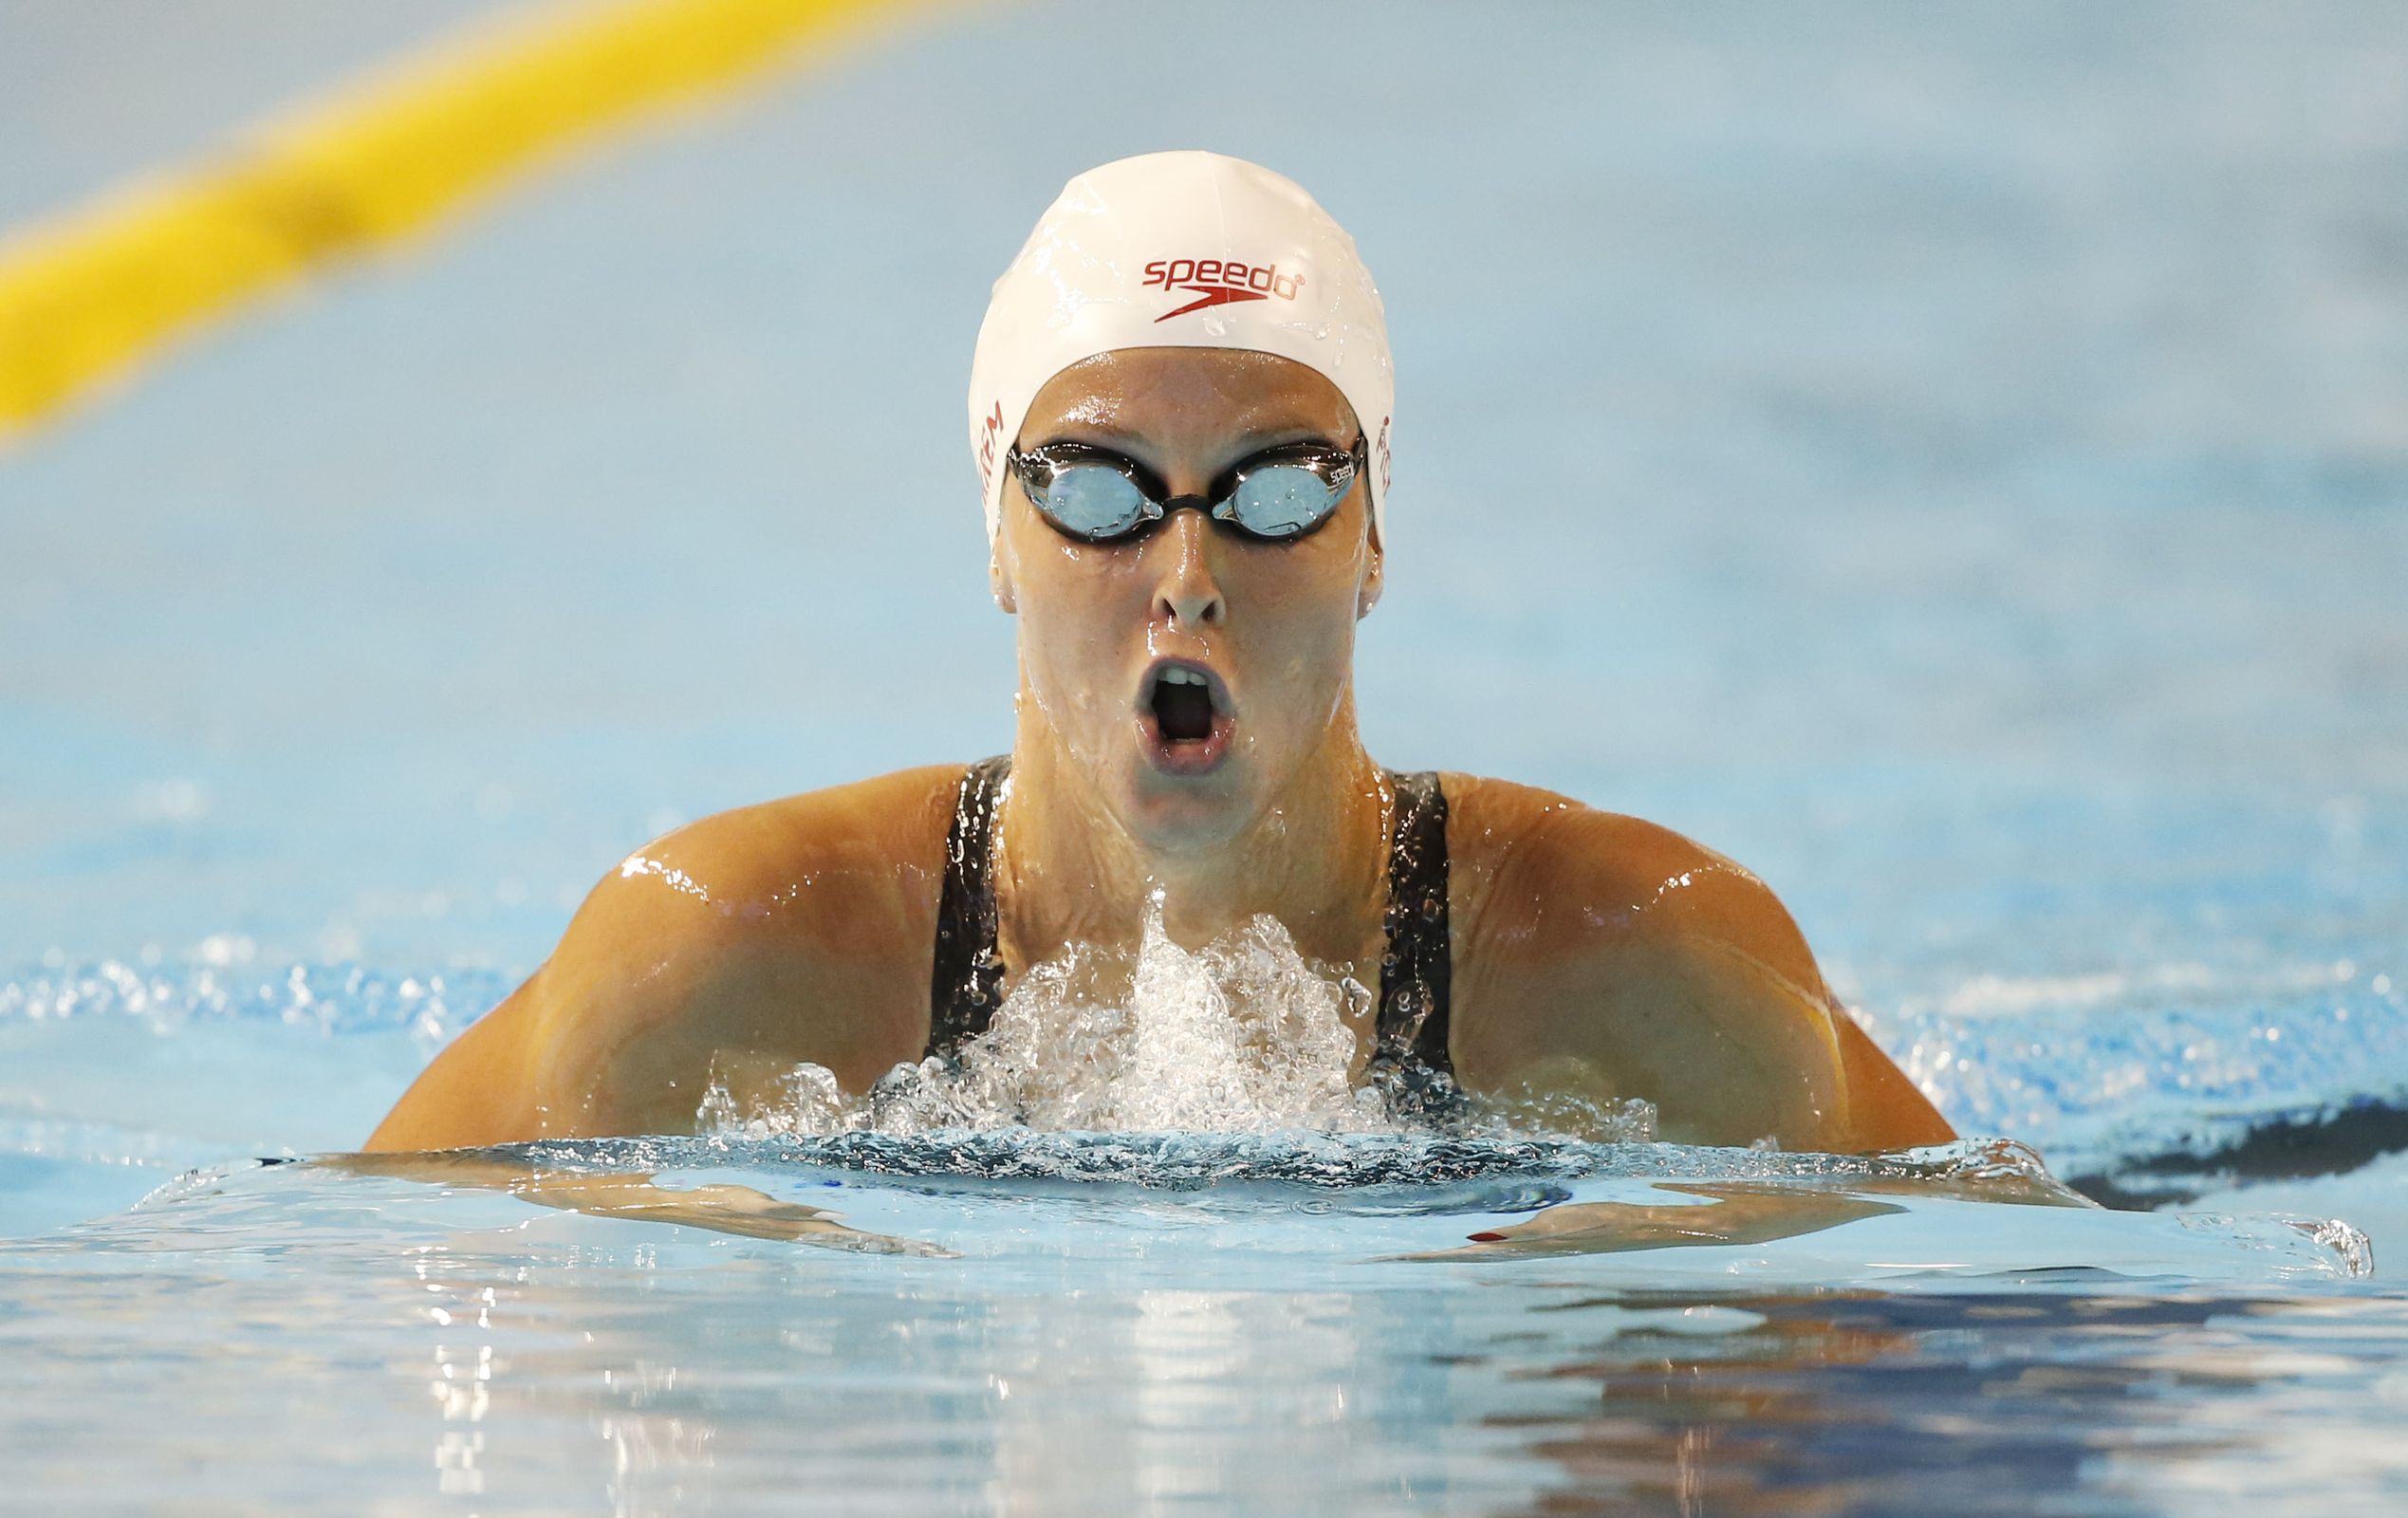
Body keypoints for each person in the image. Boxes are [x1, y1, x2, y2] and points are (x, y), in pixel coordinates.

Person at [367, 151, 1952, 1157]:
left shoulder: (1646, 974)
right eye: (1095, 490)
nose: (1185, 576)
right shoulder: (721, 966)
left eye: (1276, 489)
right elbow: (338, 1308)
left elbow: (2032, 1351)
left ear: (1375, 536)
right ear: (996, 533)